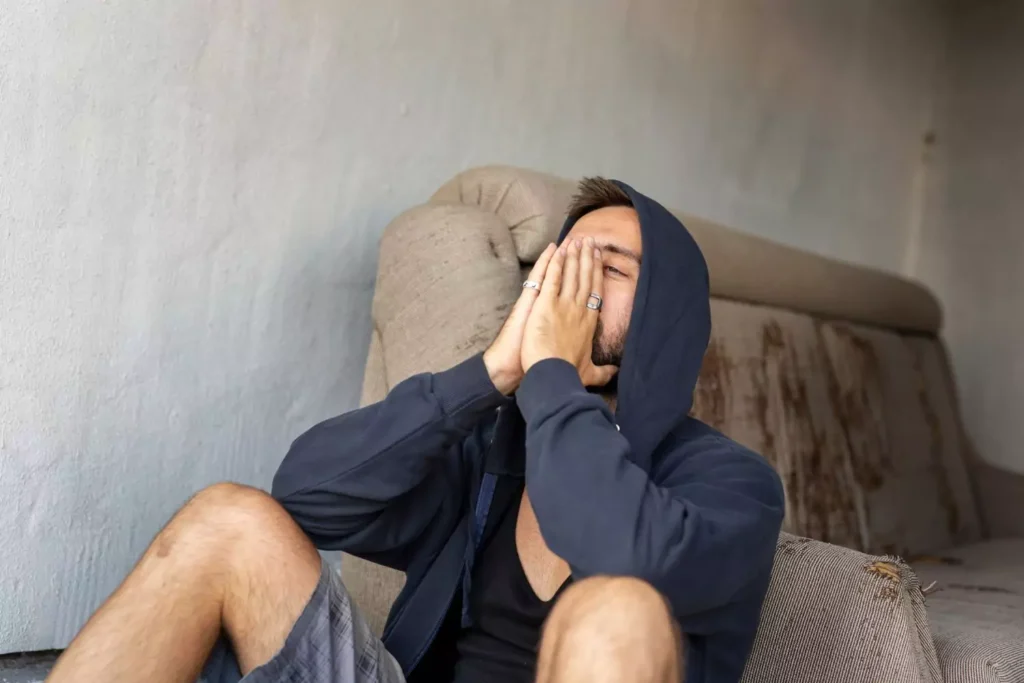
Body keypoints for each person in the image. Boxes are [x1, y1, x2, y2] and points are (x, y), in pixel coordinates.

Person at [47, 178, 785, 683]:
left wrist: (557, 375)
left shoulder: (733, 486)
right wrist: (493, 374)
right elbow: (305, 494)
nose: (574, 284)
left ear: (665, 313)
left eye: (610, 267)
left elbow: (626, 550)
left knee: (617, 611)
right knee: (229, 521)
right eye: (563, 261)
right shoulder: (497, 447)